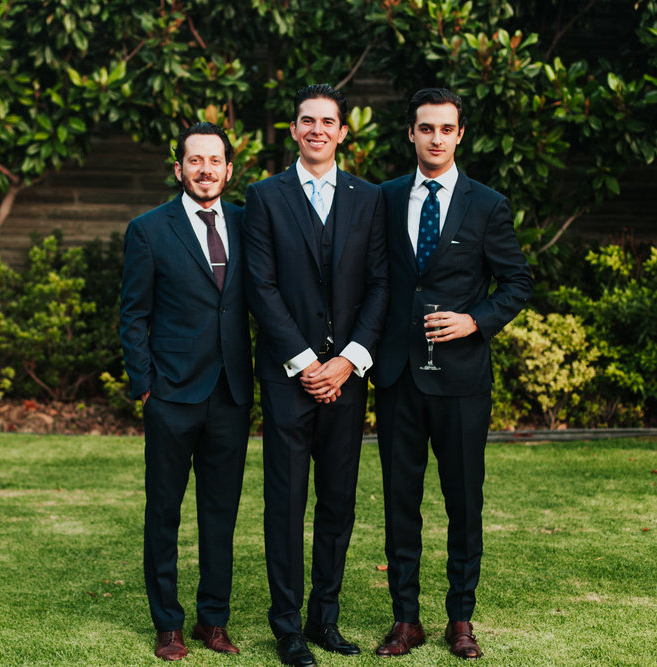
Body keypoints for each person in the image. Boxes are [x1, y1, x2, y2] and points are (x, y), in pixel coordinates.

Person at [371, 88, 533, 660]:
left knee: (465, 502)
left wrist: (475, 321)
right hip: (396, 377)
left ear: (460, 135)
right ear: (410, 134)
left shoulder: (488, 204)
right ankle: (406, 619)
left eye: (446, 129)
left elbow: (517, 283)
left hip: (462, 380)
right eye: (425, 128)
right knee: (400, 503)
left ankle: (460, 619)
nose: (435, 138)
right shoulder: (384, 198)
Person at [243, 83, 389, 667]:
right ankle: (287, 628)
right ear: (294, 130)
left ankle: (324, 619)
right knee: (284, 503)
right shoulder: (264, 196)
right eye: (308, 121)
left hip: (348, 378)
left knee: (338, 501)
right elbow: (261, 287)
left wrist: (348, 361)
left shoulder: (369, 197)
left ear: (343, 132)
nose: (318, 130)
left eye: (328, 121)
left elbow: (381, 285)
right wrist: (307, 363)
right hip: (288, 380)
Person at [119, 122, 253, 661]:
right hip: (171, 396)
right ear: (179, 169)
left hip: (231, 395)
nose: (205, 169)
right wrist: (145, 387)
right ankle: (168, 624)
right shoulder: (149, 229)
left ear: (227, 168)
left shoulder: (248, 224)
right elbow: (133, 316)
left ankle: (212, 621)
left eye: (214, 160)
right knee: (165, 513)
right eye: (194, 160)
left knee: (221, 515)